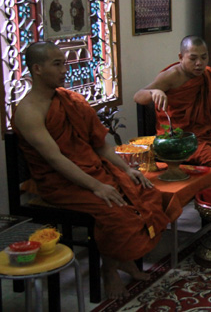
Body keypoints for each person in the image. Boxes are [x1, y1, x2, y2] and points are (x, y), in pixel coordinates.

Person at [13, 42, 179, 300]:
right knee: (116, 212)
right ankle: (109, 271)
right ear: (37, 69)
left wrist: (126, 170)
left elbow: (100, 145)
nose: (64, 70)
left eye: (64, 63)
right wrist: (97, 186)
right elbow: (56, 160)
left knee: (146, 194)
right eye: (57, 64)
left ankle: (123, 260)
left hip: (93, 170)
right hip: (60, 183)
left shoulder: (72, 101)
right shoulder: (28, 111)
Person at [134, 35, 211, 189]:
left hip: (205, 132)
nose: (199, 63)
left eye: (204, 57)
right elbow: (138, 96)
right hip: (180, 138)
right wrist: (154, 92)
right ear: (181, 57)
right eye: (193, 58)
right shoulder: (172, 76)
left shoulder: (206, 74)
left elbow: (210, 112)